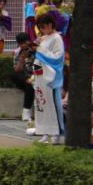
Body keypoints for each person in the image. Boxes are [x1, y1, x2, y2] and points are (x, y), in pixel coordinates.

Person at [31, 11, 65, 144]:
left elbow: (57, 58)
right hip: (40, 75)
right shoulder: (43, 38)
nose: (43, 29)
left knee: (52, 105)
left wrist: (39, 50)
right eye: (41, 27)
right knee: (41, 104)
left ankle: (55, 134)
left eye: (44, 26)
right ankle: (45, 132)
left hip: (50, 77)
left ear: (50, 24)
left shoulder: (57, 38)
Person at [11, 32, 37, 123]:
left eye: (24, 43)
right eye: (21, 44)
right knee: (13, 74)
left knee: (29, 86)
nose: (23, 46)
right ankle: (28, 80)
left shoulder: (35, 50)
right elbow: (17, 70)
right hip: (24, 77)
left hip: (35, 76)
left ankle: (26, 112)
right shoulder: (18, 52)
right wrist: (22, 59)